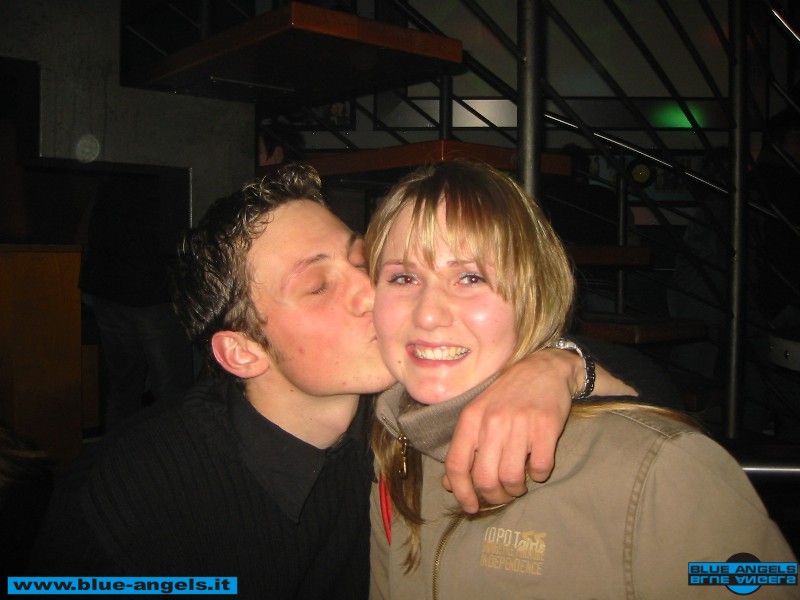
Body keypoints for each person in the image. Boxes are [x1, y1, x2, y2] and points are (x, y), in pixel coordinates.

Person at [29, 164, 638, 597]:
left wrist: (559, 366)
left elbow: (656, 407)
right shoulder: (131, 495)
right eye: (319, 287)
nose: (372, 293)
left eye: (362, 260)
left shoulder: (407, 403)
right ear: (243, 352)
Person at [367, 161, 795, 599]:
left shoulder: (663, 467)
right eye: (403, 277)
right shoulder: (395, 454)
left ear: (534, 296)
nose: (428, 314)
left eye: (470, 277)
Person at [79, 173, 195, 430]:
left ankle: (120, 450)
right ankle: (172, 451)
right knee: (172, 393)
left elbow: (90, 231)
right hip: (152, 290)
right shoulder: (168, 175)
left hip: (110, 287)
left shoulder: (114, 176)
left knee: (124, 388)